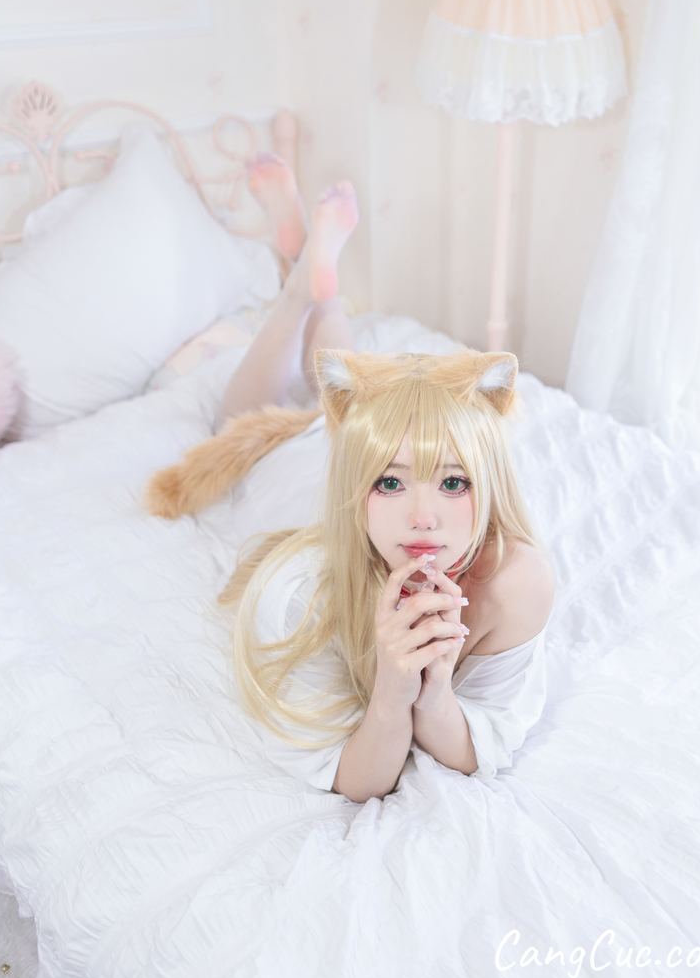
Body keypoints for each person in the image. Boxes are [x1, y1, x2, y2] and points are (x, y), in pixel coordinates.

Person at [145, 155, 556, 804]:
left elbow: (480, 748)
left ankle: (315, 278)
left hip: (373, 437)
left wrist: (434, 695)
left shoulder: (516, 580)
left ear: (487, 483)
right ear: (360, 489)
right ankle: (302, 290)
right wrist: (391, 694)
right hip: (301, 463)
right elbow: (353, 780)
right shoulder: (298, 589)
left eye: (453, 484)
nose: (423, 518)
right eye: (391, 486)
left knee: (346, 385)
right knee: (237, 424)